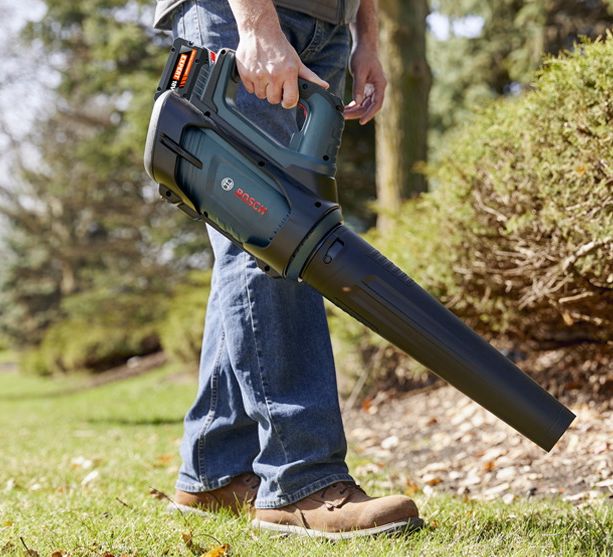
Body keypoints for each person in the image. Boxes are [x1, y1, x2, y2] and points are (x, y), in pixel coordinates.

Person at [152, 0, 422, 539]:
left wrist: (365, 35)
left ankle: (215, 471)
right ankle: (302, 479)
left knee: (254, 239)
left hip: (327, 26)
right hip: (245, 16)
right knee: (275, 234)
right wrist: (256, 24)